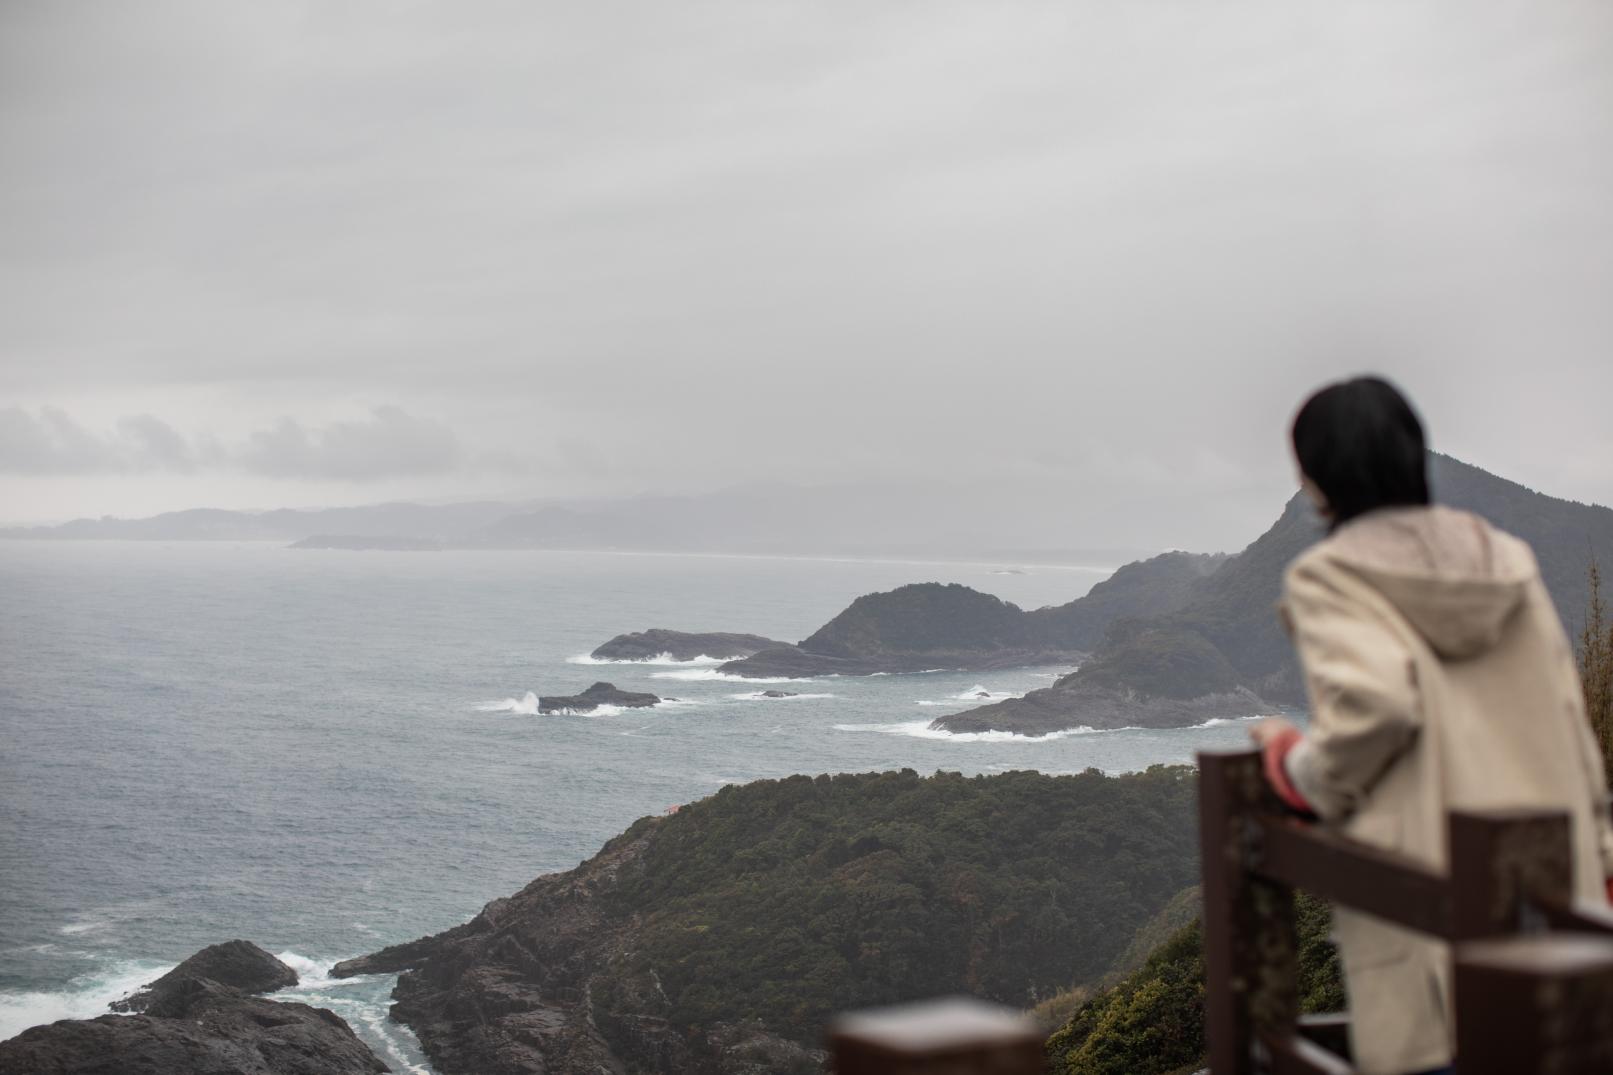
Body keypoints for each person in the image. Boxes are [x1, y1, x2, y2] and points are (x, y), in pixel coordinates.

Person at [1249, 376, 1613, 1075]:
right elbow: (1567, 720)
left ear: (1316, 481)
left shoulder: (1331, 575)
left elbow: (1374, 708)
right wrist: (1598, 852)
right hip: (1551, 901)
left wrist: (1294, 765)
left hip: (1434, 921)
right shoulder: (1506, 562)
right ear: (1415, 458)